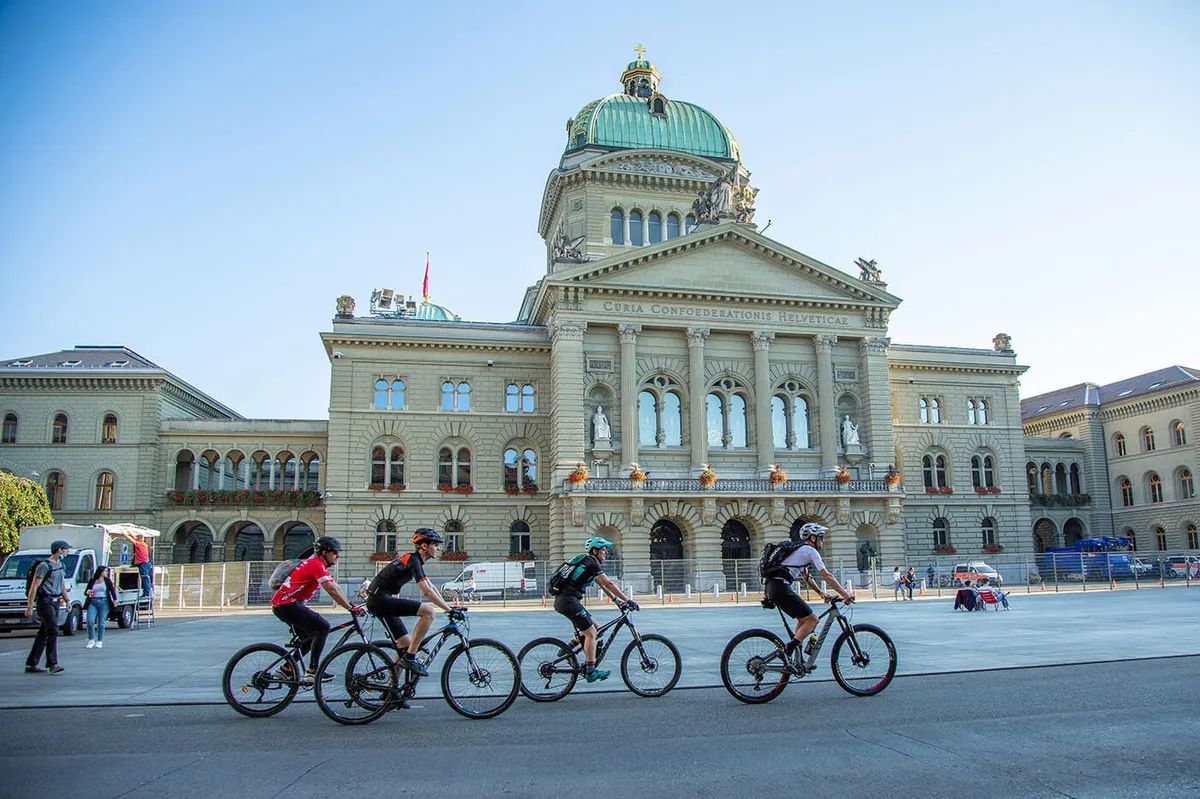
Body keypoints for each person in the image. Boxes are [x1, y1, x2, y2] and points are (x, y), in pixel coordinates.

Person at [364, 528, 459, 677]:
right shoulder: (413, 560)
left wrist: (450, 607)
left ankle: (392, 692)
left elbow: (431, 587)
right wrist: (448, 610)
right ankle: (410, 658)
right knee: (428, 612)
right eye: (435, 545)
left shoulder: (415, 561)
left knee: (405, 645)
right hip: (380, 599)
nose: (438, 548)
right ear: (424, 546)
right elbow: (426, 591)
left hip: (381, 599)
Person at [270, 536, 363, 686]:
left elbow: (336, 587)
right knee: (323, 627)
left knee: (309, 638)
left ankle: (286, 669)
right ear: (324, 553)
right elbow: (331, 590)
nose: (337, 557)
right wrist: (350, 608)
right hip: (287, 605)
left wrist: (351, 605)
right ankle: (312, 672)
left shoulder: (317, 565)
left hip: (284, 605)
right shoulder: (316, 565)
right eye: (335, 553)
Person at [763, 523, 855, 661]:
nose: (822, 541)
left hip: (772, 587)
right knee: (813, 620)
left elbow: (806, 577)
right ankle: (787, 651)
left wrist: (821, 593)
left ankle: (797, 660)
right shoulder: (810, 551)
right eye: (821, 538)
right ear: (813, 538)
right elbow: (827, 575)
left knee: (803, 620)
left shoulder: (799, 551)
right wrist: (845, 594)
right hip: (780, 587)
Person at [551, 536, 637, 683]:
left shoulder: (586, 563)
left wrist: (617, 601)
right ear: (595, 551)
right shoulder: (591, 564)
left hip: (566, 601)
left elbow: (603, 585)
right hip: (568, 601)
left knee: (594, 627)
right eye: (603, 550)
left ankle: (567, 649)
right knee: (590, 633)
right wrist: (627, 600)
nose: (606, 552)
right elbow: (609, 583)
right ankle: (590, 671)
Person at [25, 539, 70, 674]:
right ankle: (52, 663)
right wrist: (29, 606)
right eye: (66, 549)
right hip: (45, 601)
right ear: (59, 550)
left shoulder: (60, 565)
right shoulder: (44, 566)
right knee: (53, 630)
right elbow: (35, 585)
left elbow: (61, 584)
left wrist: (67, 600)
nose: (67, 552)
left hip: (55, 601)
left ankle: (31, 663)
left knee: (43, 633)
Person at [84, 564, 117, 649]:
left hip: (104, 601)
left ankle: (99, 641)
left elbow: (112, 590)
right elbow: (86, 591)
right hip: (93, 601)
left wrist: (115, 599)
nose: (106, 572)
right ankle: (91, 639)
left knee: (101, 622)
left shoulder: (107, 580)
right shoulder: (92, 580)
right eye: (105, 571)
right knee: (90, 621)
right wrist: (88, 592)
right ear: (100, 572)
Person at [116, 529, 153, 598]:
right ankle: (147, 592)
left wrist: (124, 533)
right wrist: (129, 531)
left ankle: (146, 593)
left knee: (144, 578)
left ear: (139, 539)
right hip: (146, 563)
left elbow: (131, 539)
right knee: (145, 578)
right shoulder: (144, 544)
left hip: (143, 564)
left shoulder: (138, 544)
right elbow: (134, 538)